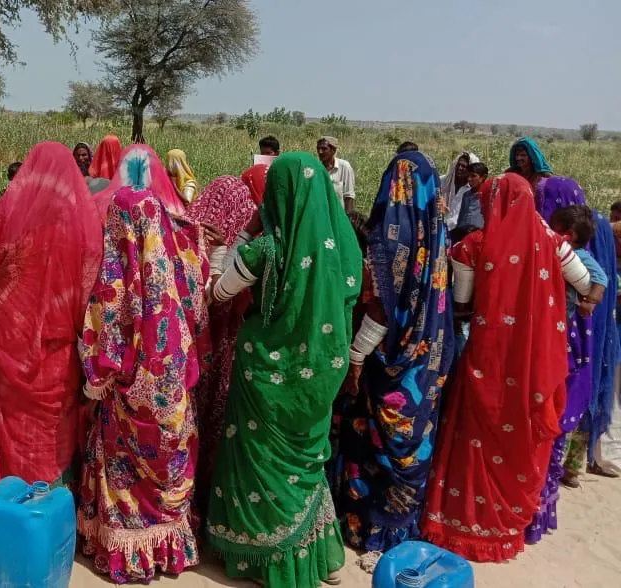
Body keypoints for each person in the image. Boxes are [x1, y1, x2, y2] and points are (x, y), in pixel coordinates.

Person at [205, 153, 362, 588]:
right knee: (307, 465)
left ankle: (263, 558)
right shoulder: (344, 251)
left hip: (264, 376)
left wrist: (234, 240)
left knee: (259, 462)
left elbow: (219, 292)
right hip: (321, 373)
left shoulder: (265, 250)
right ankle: (320, 558)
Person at [421, 173, 592, 562]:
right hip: (532, 365)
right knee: (519, 438)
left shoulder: (475, 246)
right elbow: (584, 284)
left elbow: (463, 303)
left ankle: (465, 521)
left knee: (477, 437)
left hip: (489, 359)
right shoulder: (554, 244)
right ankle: (508, 525)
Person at [77, 177, 211, 583]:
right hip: (173, 386)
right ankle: (170, 548)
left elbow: (107, 336)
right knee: (170, 456)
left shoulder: (116, 275)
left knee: (121, 464)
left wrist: (94, 379)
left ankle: (130, 553)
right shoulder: (182, 262)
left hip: (130, 389)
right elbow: (200, 315)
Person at [331, 151, 454, 564]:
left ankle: (369, 529)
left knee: (376, 441)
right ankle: (397, 531)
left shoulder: (389, 241)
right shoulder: (438, 238)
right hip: (426, 362)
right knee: (410, 444)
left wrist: (356, 357)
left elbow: (382, 306)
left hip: (385, 360)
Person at [0, 142, 103, 506]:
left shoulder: (3, 216)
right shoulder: (83, 226)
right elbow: (90, 289)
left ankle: (6, 504)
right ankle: (51, 510)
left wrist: (10, 303)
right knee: (52, 435)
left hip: (8, 341)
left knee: (13, 429)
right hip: (59, 354)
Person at [526, 176, 596, 544]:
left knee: (547, 424)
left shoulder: (566, 251)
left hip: (560, 351)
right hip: (568, 351)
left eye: (545, 203)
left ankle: (535, 510)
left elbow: (589, 290)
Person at [183, 176, 257, 517]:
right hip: (225, 347)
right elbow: (231, 294)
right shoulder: (247, 247)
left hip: (188, 348)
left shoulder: (184, 237)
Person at [558, 207, 621, 483]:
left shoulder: (579, 259)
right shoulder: (605, 265)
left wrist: (589, 303)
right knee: (586, 393)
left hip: (578, 335)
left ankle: (567, 464)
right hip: (596, 338)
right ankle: (574, 466)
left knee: (575, 394)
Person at [549, 206, 606, 320]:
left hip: (562, 313)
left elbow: (601, 277)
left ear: (570, 235)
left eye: (553, 229)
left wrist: (590, 301)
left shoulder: (580, 255)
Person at [441, 152, 481, 231]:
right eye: (458, 165)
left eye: (464, 166)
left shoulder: (471, 191)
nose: (459, 168)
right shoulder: (444, 182)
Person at [450, 162, 488, 242]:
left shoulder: (488, 195)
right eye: (468, 176)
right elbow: (461, 218)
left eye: (473, 176)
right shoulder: (466, 195)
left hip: (479, 236)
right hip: (464, 234)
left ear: (483, 177)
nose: (469, 179)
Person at [316, 136, 356, 213]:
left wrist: (347, 219)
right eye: (318, 148)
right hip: (320, 213)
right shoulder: (316, 168)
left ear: (333, 150)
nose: (320, 152)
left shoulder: (344, 167)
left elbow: (349, 196)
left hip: (338, 214)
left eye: (324, 149)